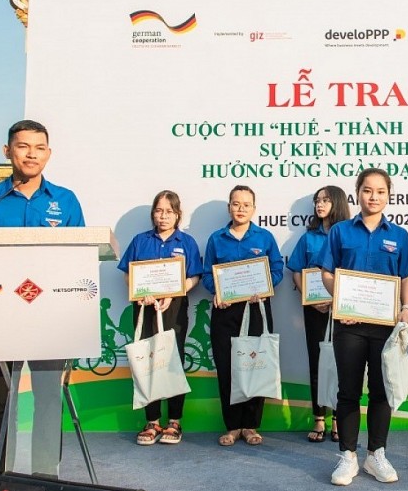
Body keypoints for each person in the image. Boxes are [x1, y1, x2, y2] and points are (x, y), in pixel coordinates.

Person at [0, 120, 85, 491]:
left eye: (39, 147)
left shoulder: (65, 201)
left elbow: (80, 253)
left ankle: (46, 483)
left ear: (49, 153)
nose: (31, 153)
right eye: (23, 146)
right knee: (0, 402)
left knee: (48, 399)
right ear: (7, 151)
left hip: (50, 319)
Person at [317, 168, 408, 486]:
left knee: (381, 391)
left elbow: (407, 277)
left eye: (380, 192)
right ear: (357, 193)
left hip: (386, 327)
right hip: (349, 323)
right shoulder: (340, 232)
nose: (373, 197)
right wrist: (341, 303)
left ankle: (376, 455)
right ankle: (347, 457)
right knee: (347, 391)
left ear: (389, 196)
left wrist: (406, 308)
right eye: (367, 190)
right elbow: (327, 272)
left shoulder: (399, 235)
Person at [117, 190, 203, 446]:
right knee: (147, 361)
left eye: (169, 211)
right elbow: (127, 274)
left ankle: (175, 421)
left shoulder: (186, 242)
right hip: (144, 308)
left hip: (174, 308)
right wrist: (139, 293)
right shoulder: (140, 241)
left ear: (178, 214)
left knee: (172, 361)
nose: (163, 216)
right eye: (158, 210)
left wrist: (175, 291)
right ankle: (152, 421)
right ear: (153, 213)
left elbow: (195, 276)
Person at [202, 185, 284, 447]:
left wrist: (264, 287)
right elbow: (206, 274)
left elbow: (278, 269)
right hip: (225, 312)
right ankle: (233, 426)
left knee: (255, 365)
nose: (241, 209)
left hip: (256, 309)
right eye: (236, 204)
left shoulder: (264, 237)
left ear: (254, 209)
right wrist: (216, 290)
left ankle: (250, 425)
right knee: (228, 368)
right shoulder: (216, 239)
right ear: (229, 207)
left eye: (246, 205)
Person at [286, 185, 350, 443]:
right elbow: (297, 271)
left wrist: (341, 301)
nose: (319, 205)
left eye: (325, 200)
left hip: (343, 309)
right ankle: (319, 418)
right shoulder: (308, 238)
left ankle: (338, 419)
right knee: (317, 362)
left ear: (336, 202)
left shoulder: (348, 235)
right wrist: (309, 300)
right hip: (314, 310)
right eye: (316, 201)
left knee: (343, 365)